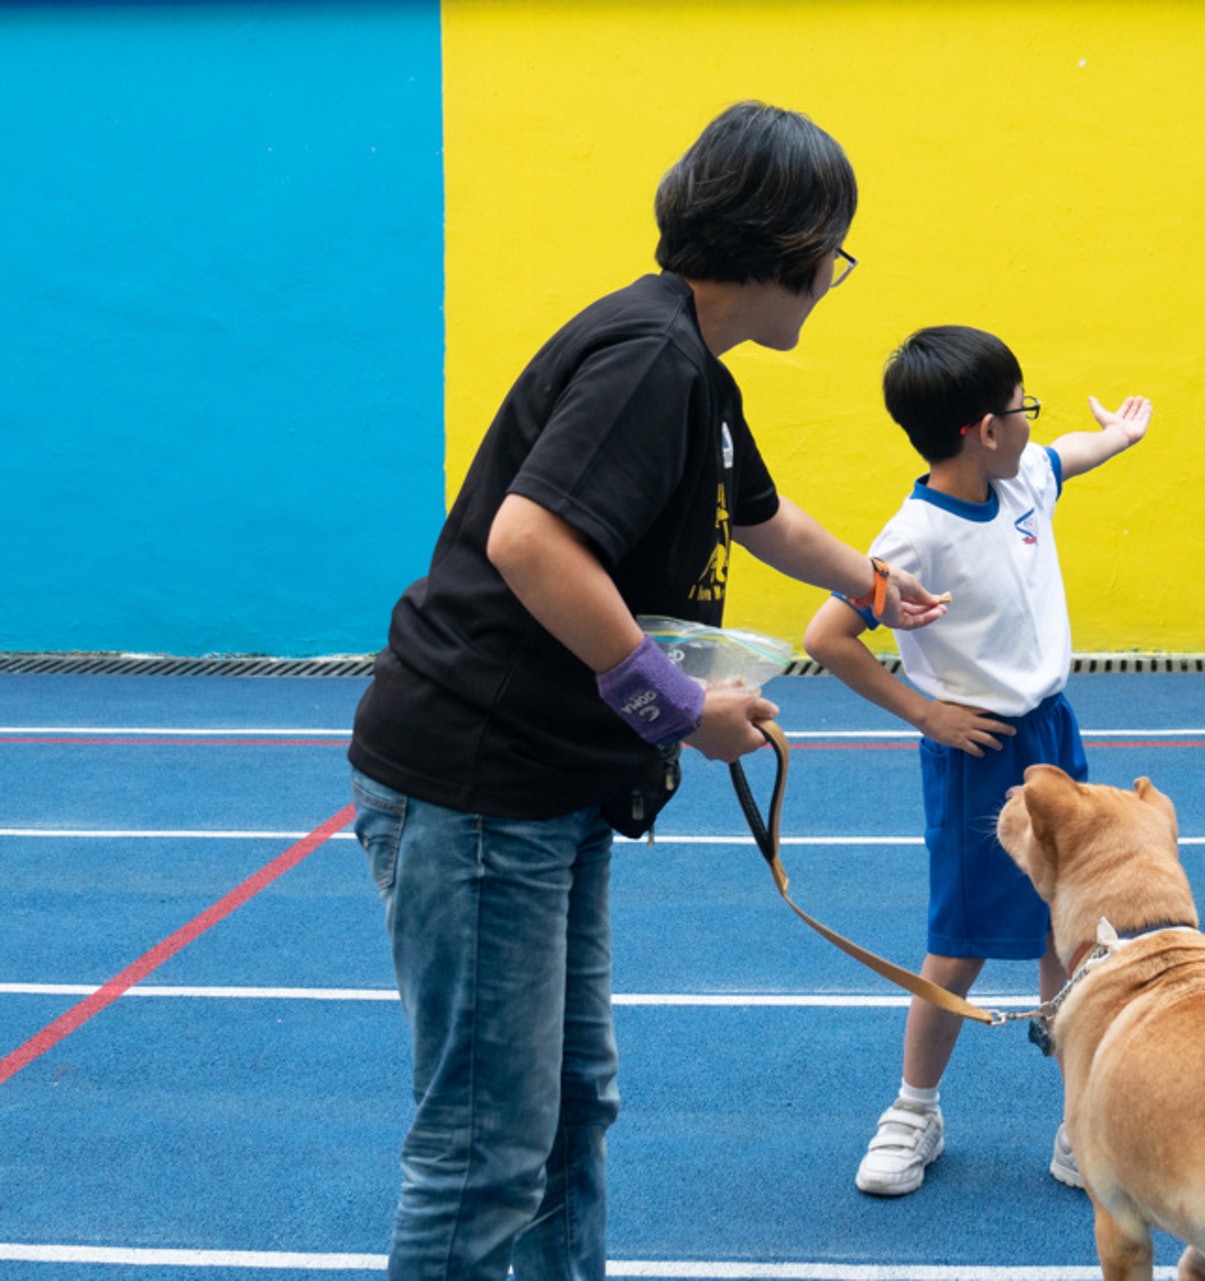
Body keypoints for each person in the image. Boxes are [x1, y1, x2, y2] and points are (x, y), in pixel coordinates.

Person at [346, 102, 944, 1281]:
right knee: (484, 1152)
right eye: (838, 247)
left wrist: (874, 586)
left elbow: (761, 516)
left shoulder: (694, 369)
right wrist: (680, 707)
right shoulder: (649, 360)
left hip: (549, 793)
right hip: (480, 791)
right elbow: (531, 541)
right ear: (789, 242)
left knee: (571, 1115)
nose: (836, 275)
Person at [803, 324, 1150, 1197]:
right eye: (1022, 407)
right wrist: (925, 713)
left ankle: (1081, 1118)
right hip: (980, 752)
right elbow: (829, 635)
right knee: (956, 945)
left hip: (1053, 739)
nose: (1035, 421)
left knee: (1068, 935)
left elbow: (1067, 455)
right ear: (981, 430)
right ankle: (914, 1109)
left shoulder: (1023, 476)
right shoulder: (914, 538)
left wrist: (1120, 435)